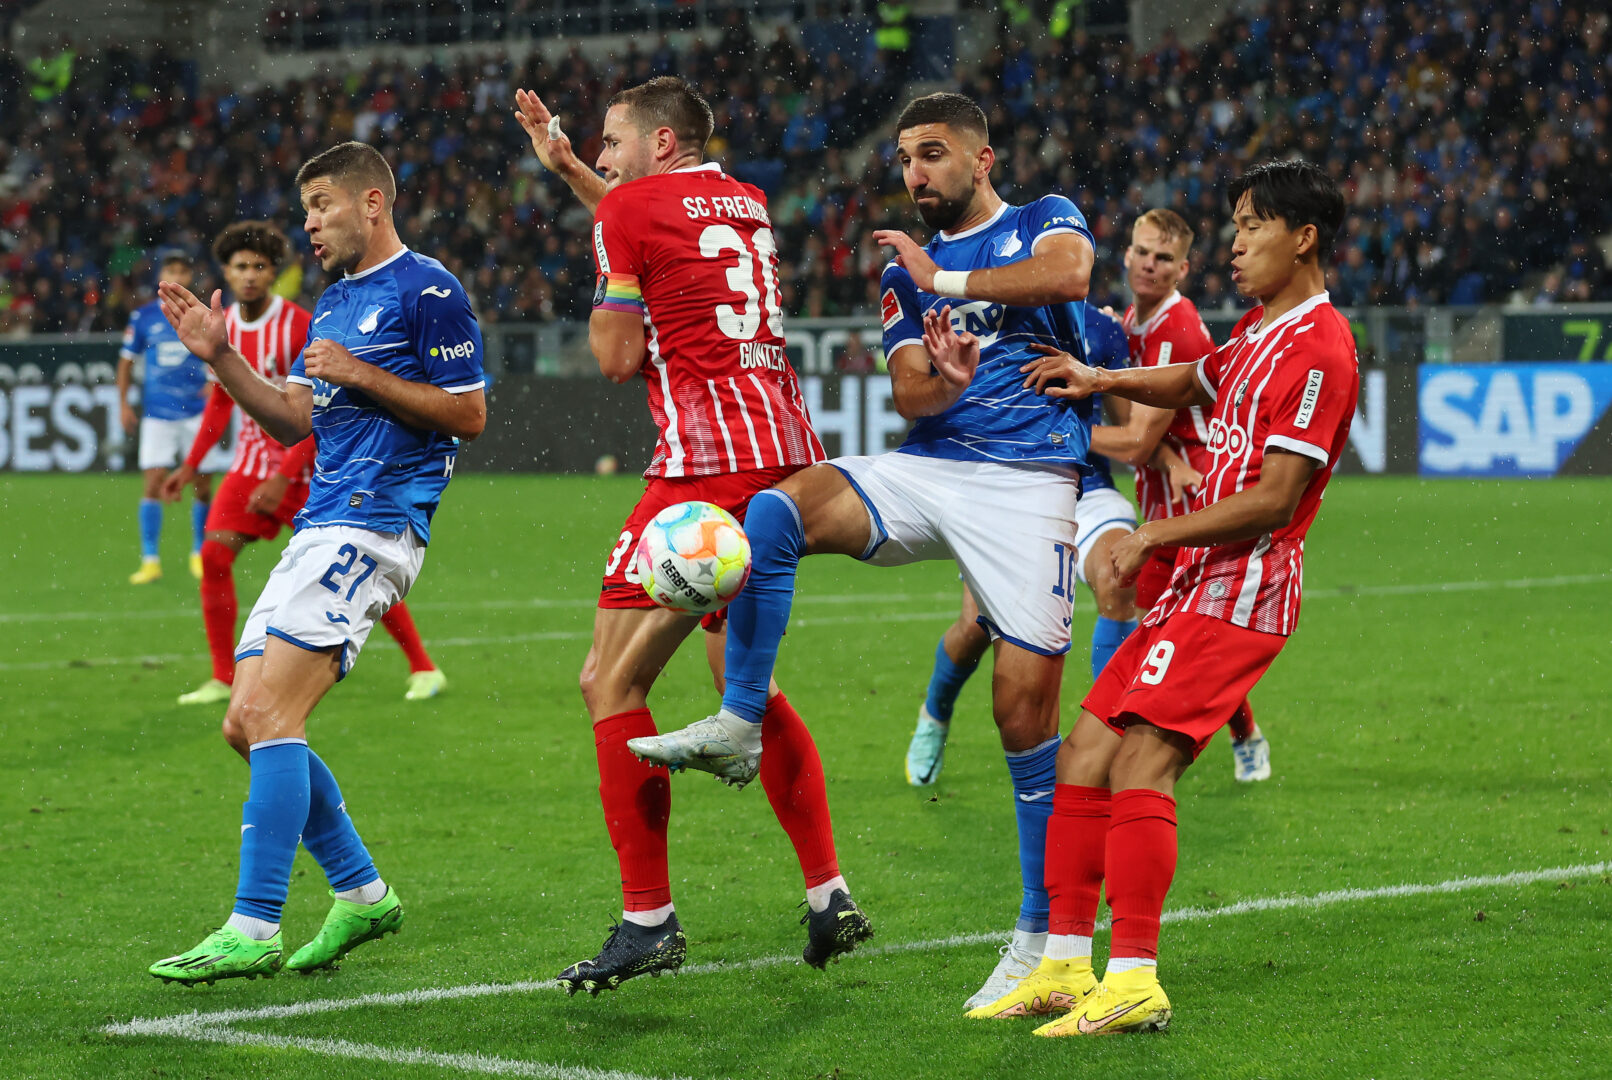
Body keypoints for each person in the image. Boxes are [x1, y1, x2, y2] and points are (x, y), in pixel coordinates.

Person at [627, 92, 1096, 1011]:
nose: (915, 175)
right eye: (905, 159)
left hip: (1034, 483)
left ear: (982, 158)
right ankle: (740, 719)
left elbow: (1070, 276)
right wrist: (946, 379)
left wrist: (950, 282)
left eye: (933, 156)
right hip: (933, 467)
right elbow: (914, 397)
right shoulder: (900, 277)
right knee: (775, 510)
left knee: (1022, 717)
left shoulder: (1044, 222)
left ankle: (1043, 938)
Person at [971, 159, 1356, 1035]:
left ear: (1303, 238)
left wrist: (1149, 535)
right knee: (1083, 754)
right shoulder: (1260, 331)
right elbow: (1191, 382)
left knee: (1143, 762)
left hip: (1242, 591)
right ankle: (1067, 966)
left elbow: (1277, 498)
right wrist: (1099, 378)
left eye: (1252, 225)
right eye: (1234, 226)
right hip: (1196, 584)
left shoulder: (1321, 347)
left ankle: (1136, 978)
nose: (1235, 244)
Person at [512, 77, 871, 994]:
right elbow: (657, 231)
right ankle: (829, 893)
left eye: (610, 142)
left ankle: (649, 919)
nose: (599, 156)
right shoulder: (744, 200)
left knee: (609, 679)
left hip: (701, 470)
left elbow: (616, 357)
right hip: (786, 462)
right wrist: (577, 183)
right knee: (738, 681)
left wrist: (605, 259)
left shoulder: (628, 211)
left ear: (661, 141)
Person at [146, 142, 486, 985]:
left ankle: (254, 924)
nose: (309, 225)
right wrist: (220, 357)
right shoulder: (334, 306)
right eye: (305, 209)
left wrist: (364, 374)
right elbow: (299, 417)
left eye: (321, 206)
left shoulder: (428, 289)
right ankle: (362, 893)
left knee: (269, 717)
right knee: (244, 721)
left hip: (373, 529)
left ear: (373, 203)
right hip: (318, 527)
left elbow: (470, 414)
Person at [162, 221, 447, 707]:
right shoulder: (220, 324)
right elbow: (221, 402)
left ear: (274, 272)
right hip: (249, 465)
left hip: (312, 463)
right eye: (239, 266)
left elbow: (316, 409)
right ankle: (221, 675)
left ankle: (423, 666)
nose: (249, 275)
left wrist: (284, 474)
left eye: (259, 266)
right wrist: (191, 466)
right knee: (213, 558)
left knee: (348, 571)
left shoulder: (298, 322)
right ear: (226, 274)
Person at [905, 301, 1138, 787]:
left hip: (1086, 488)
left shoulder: (1103, 328)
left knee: (1119, 579)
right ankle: (935, 713)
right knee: (974, 628)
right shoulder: (982, 317)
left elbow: (1131, 430)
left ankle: (1111, 735)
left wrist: (1066, 434)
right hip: (1010, 490)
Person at [1100, 209, 1273, 781]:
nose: (1150, 265)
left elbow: (1134, 438)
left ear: (1183, 269)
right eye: (1143, 252)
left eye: (1164, 258)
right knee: (1159, 626)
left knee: (1181, 635)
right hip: (1160, 493)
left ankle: (1218, 734)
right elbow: (1141, 426)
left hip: (1197, 503)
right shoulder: (1132, 319)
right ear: (1127, 254)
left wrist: (1051, 433)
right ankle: (1202, 733)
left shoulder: (1177, 329)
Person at [118, 251, 228, 584]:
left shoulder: (204, 315)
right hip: (158, 413)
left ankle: (198, 552)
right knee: (152, 483)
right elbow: (125, 362)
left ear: (190, 275)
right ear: (161, 274)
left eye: (183, 269)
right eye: (171, 268)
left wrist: (216, 383)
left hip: (196, 412)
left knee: (203, 485)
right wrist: (123, 402)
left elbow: (222, 354)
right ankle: (150, 560)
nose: (177, 274)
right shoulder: (144, 317)